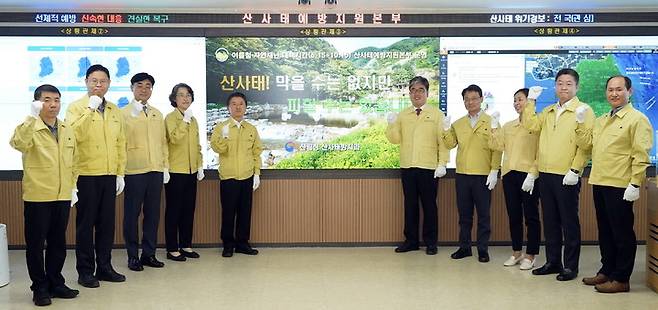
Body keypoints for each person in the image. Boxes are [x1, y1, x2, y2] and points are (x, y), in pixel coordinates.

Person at [578, 75, 653, 293]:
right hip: (600, 181)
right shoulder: (602, 119)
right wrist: (581, 123)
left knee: (622, 233)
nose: (614, 94)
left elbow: (641, 154)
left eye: (619, 89)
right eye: (610, 90)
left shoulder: (637, 119)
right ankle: (607, 270)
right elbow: (586, 144)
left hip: (621, 184)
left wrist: (635, 183)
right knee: (606, 231)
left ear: (629, 92)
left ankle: (621, 278)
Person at [522, 68, 595, 281]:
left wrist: (575, 170)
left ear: (576, 87)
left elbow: (586, 145)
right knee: (551, 221)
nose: (563, 87)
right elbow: (531, 126)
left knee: (569, 222)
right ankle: (553, 262)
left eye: (568, 83)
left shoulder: (584, 110)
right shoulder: (549, 110)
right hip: (546, 174)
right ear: (555, 86)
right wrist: (531, 102)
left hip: (567, 175)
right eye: (560, 83)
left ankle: (571, 266)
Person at [10, 85, 79, 306]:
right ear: (37, 103)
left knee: (58, 243)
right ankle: (39, 287)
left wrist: (73, 187)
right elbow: (18, 143)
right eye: (47, 100)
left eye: (57, 100)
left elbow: (74, 161)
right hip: (38, 195)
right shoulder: (29, 126)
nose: (53, 105)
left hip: (62, 195)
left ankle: (56, 283)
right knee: (36, 244)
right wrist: (31, 117)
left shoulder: (67, 128)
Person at [65, 64, 127, 287]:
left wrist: (120, 173)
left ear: (109, 84)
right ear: (86, 82)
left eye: (103, 81)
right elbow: (72, 135)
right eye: (94, 81)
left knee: (106, 225)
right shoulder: (75, 107)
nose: (98, 85)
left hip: (109, 175)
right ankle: (85, 271)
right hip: (86, 174)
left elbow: (120, 143)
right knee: (85, 225)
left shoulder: (114, 110)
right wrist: (89, 110)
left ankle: (105, 267)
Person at [385, 76, 449, 255]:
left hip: (429, 168)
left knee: (430, 206)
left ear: (427, 93)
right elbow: (394, 139)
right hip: (408, 167)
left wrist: (442, 163)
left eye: (420, 89)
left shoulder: (437, 114)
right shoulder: (403, 115)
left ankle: (431, 243)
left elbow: (442, 142)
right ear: (409, 93)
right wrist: (391, 125)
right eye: (413, 90)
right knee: (410, 205)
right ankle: (411, 241)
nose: (416, 93)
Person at [442, 84, 502, 263]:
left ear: (482, 99)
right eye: (467, 99)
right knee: (464, 215)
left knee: (484, 215)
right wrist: (445, 130)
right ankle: (465, 247)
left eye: (474, 98)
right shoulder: (458, 123)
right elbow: (449, 144)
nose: (470, 102)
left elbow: (498, 148)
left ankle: (483, 249)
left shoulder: (491, 122)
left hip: (483, 175)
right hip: (462, 175)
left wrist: (494, 171)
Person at [121, 72, 168, 271]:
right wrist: (119, 171)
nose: (144, 89)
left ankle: (149, 254)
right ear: (132, 88)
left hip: (155, 170)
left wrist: (165, 166)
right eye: (139, 85)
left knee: (153, 214)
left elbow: (163, 143)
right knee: (132, 215)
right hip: (134, 170)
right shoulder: (123, 113)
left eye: (148, 86)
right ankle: (133, 256)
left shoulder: (157, 113)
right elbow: (119, 143)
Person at [489, 88, 541, 270]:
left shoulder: (536, 124)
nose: (517, 103)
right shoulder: (509, 126)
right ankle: (517, 252)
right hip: (509, 175)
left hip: (528, 175)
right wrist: (494, 126)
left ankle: (531, 254)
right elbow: (496, 145)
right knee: (514, 216)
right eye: (515, 100)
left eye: (520, 100)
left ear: (529, 102)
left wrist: (533, 174)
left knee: (531, 217)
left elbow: (540, 152)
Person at [210, 92, 263, 258]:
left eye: (241, 104)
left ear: (246, 107)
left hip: (247, 176)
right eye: (234, 104)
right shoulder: (220, 127)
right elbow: (217, 148)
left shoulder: (251, 129)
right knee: (228, 212)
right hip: (229, 177)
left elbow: (256, 152)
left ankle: (242, 243)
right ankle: (228, 245)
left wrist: (256, 173)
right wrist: (225, 137)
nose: (238, 107)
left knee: (245, 212)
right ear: (228, 108)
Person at [164, 83, 204, 261]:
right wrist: (184, 121)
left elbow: (197, 146)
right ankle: (172, 248)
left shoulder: (193, 120)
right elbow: (173, 139)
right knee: (174, 210)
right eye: (181, 95)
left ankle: (186, 245)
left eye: (188, 95)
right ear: (174, 98)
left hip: (191, 171)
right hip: (175, 171)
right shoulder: (171, 118)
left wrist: (200, 165)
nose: (185, 98)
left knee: (189, 209)